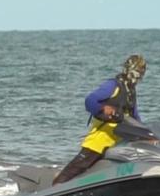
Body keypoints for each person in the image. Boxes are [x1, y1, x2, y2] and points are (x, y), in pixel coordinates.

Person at [52, 54, 147, 185]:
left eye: (141, 72)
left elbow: (135, 118)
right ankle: (56, 188)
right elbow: (90, 101)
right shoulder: (113, 86)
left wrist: (148, 135)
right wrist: (103, 108)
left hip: (118, 143)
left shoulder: (130, 92)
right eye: (137, 71)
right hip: (99, 141)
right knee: (78, 167)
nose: (138, 75)